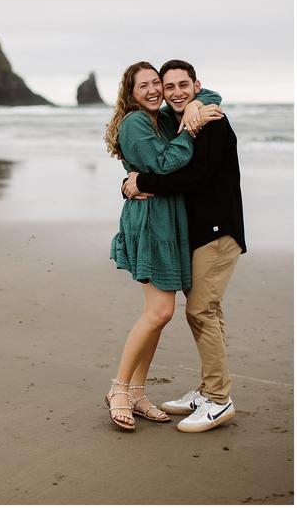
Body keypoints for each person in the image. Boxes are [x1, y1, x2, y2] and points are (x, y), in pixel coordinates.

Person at [123, 59, 245, 433]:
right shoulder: (177, 120)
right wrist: (132, 182)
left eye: (182, 86)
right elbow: (155, 159)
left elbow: (195, 177)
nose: (174, 92)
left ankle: (219, 401)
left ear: (196, 85)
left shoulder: (210, 121)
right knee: (207, 311)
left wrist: (142, 181)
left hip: (218, 232)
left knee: (201, 312)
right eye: (168, 85)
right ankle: (209, 390)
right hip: (196, 234)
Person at [103, 61, 222, 431]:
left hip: (168, 219)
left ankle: (137, 392)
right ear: (131, 93)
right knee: (158, 312)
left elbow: (210, 94)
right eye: (145, 86)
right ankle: (119, 390)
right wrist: (190, 129)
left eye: (158, 83)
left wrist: (196, 107)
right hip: (150, 222)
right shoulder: (137, 122)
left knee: (160, 314)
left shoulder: (164, 119)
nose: (155, 90)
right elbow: (164, 163)